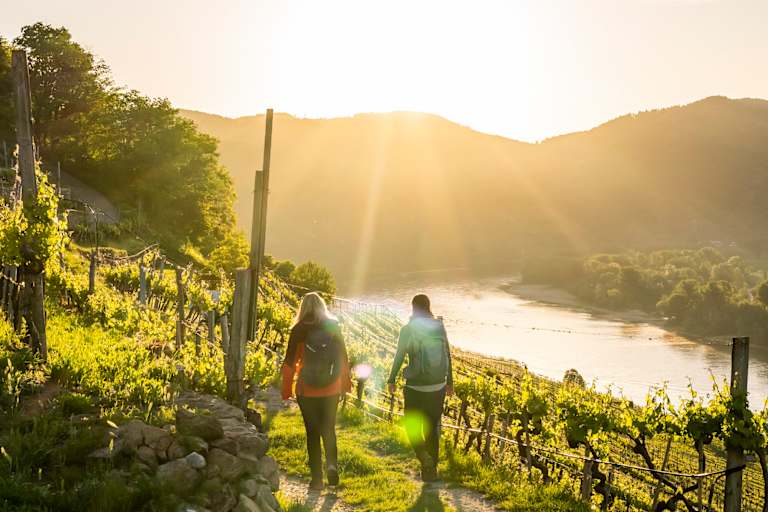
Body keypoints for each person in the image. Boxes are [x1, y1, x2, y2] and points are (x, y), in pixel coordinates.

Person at [281, 292, 352, 490]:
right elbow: (343, 358)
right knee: (328, 429)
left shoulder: (298, 330)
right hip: (331, 388)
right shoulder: (333, 326)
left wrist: (286, 390)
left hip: (307, 389)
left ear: (302, 308)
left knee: (312, 433)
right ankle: (332, 466)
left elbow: (289, 362)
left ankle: (317, 480)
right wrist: (345, 384)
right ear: (322, 306)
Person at [387, 294, 454, 482]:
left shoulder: (408, 329)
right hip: (438, 385)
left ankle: (424, 458)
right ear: (429, 307)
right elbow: (448, 355)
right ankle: (431, 471)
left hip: (416, 386)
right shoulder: (439, 326)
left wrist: (391, 379)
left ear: (413, 308)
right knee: (432, 428)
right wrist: (450, 382)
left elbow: (399, 355)